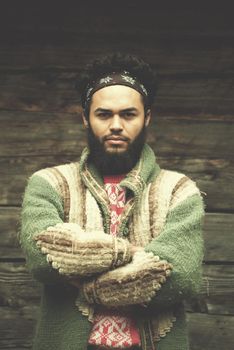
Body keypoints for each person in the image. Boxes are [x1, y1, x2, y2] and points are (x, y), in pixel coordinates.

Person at [20, 53, 204, 350]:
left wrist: (83, 268)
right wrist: (131, 255)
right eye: (104, 114)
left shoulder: (179, 190)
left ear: (147, 118)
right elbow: (43, 259)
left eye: (128, 114)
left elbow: (179, 276)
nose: (116, 125)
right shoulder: (50, 183)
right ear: (85, 117)